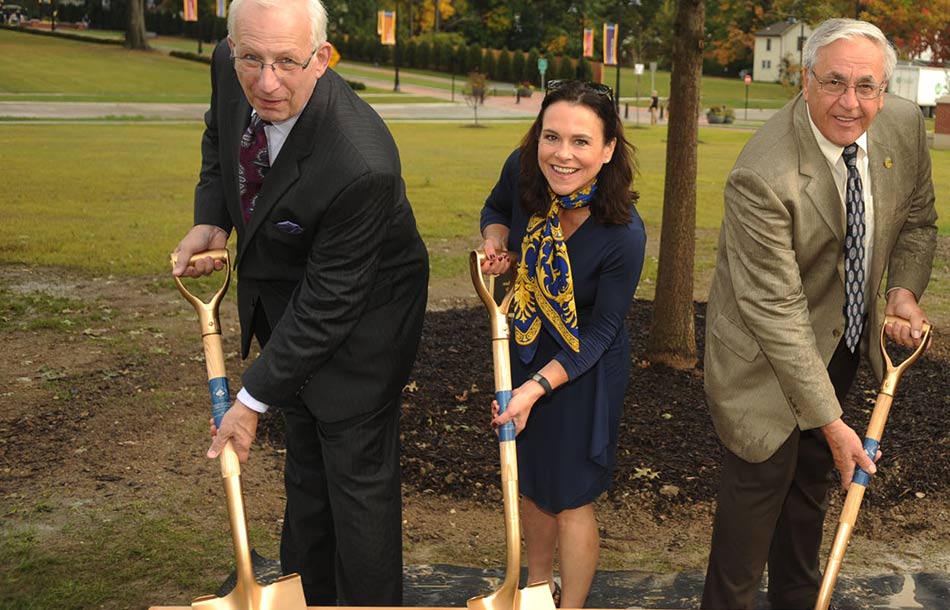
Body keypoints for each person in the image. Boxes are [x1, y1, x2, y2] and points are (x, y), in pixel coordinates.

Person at [169, 0, 429, 604]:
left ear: (322, 58)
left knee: (355, 481)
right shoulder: (230, 63)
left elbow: (331, 303)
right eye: (251, 59)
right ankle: (307, 597)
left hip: (365, 317)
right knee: (306, 470)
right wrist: (213, 221)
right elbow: (220, 135)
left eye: (286, 62)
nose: (266, 82)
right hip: (289, 297)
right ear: (233, 47)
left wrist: (251, 399)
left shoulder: (361, 161)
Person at [700, 18, 938, 610]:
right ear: (805, 81)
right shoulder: (763, 173)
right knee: (748, 528)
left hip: (838, 344)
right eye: (834, 82)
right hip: (761, 363)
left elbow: (918, 221)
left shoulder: (904, 126)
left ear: (886, 89)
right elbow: (774, 311)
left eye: (866, 86)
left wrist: (902, 293)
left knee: (805, 508)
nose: (850, 102)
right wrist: (834, 427)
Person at [477, 79, 646, 610]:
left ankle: (569, 606)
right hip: (527, 343)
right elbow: (496, 207)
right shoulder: (525, 167)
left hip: (584, 369)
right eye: (552, 137)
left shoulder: (623, 235)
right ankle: (535, 589)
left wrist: (533, 390)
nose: (562, 154)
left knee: (570, 498)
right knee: (532, 483)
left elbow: (600, 332)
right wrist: (496, 240)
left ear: (608, 148)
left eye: (580, 141)